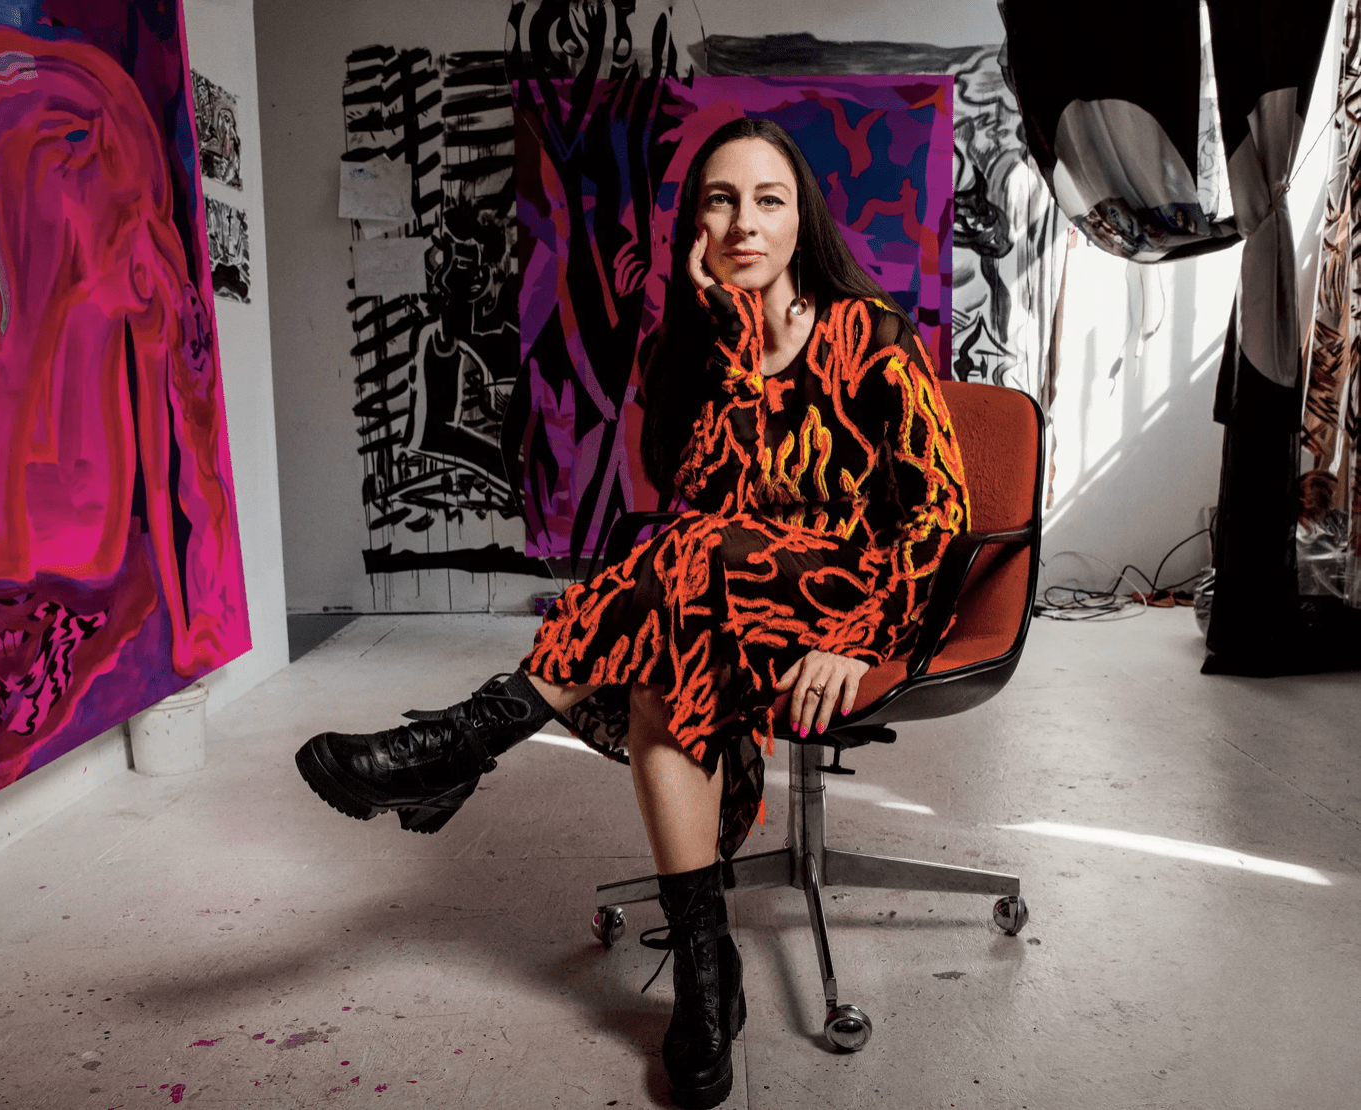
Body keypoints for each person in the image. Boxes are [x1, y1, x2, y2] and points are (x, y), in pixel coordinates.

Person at [295, 116, 969, 1110]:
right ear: (696, 223)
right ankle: (704, 972)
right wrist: (729, 335)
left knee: (685, 566)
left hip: (852, 589)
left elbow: (940, 510)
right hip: (724, 592)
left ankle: (467, 740)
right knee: (670, 639)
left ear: (802, 220)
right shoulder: (694, 346)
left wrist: (857, 639)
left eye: (768, 200)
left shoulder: (866, 334)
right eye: (720, 200)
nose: (744, 223)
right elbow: (710, 495)